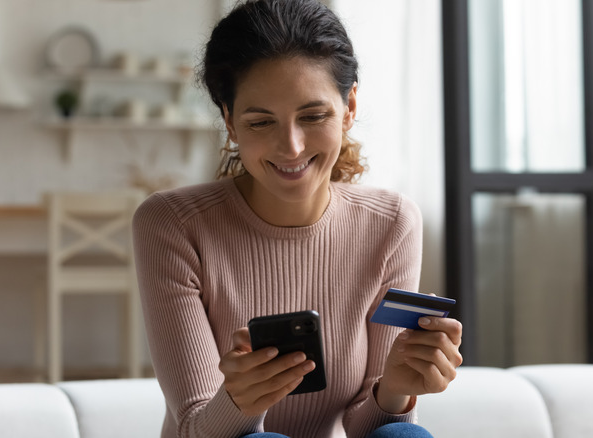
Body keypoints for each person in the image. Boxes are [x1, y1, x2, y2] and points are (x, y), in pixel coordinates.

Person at [131, 0, 463, 437]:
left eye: (313, 115)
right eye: (261, 122)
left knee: (403, 435)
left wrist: (396, 389)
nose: (291, 146)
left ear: (349, 106)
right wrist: (238, 401)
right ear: (230, 122)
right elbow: (195, 427)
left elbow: (369, 426)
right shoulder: (173, 224)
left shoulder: (392, 223)